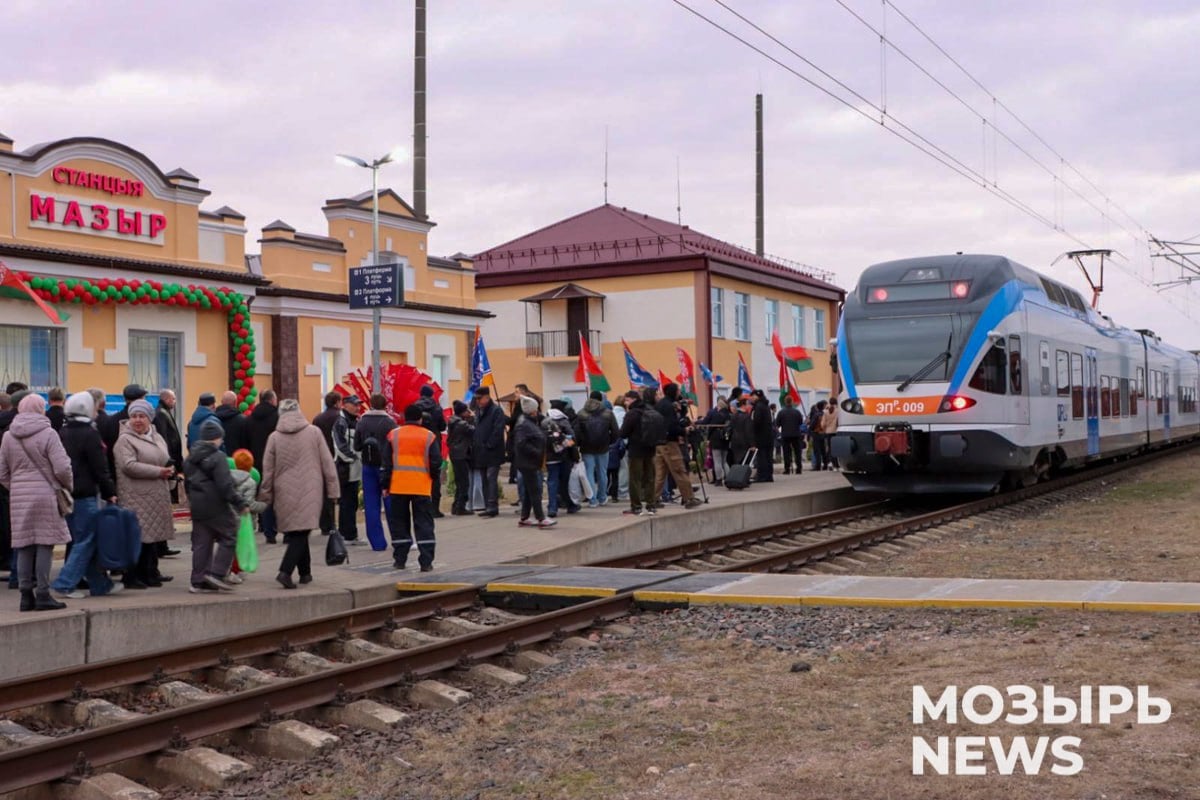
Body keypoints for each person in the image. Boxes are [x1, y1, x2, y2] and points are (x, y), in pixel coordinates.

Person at [0, 394, 73, 611]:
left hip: (19, 496)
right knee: (44, 544)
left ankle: (25, 596)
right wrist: (67, 485)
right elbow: (62, 467)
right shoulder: (48, 433)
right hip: (45, 494)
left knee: (23, 545)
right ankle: (42, 593)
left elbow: (2, 472)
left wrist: (16, 487)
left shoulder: (8, 436)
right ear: (41, 409)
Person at [260, 399, 339, 589]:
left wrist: (265, 494)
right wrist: (333, 490)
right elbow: (327, 463)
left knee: (298, 529)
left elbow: (268, 469)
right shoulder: (314, 433)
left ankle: (305, 573)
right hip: (310, 487)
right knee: (301, 531)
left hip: (283, 489)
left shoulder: (274, 438)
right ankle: (285, 571)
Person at [52, 391, 120, 599]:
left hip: (67, 494)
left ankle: (100, 585)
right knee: (87, 539)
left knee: (80, 538)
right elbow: (100, 468)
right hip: (86, 494)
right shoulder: (90, 433)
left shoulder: (62, 432)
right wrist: (110, 493)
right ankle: (65, 583)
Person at [113, 399, 176, 589]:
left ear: (149, 418)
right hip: (136, 495)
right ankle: (132, 576)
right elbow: (128, 465)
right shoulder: (125, 439)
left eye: (141, 416)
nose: (137, 420)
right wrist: (158, 472)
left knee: (152, 537)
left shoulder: (156, 436)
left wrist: (170, 470)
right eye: (134, 416)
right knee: (138, 537)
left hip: (155, 494)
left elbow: (164, 457)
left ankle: (150, 573)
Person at [184, 418, 247, 593]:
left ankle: (198, 581)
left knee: (202, 543)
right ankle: (217, 574)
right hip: (216, 505)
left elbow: (187, 484)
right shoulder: (218, 457)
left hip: (197, 505)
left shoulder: (190, 457)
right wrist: (240, 503)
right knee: (230, 535)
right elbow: (225, 485)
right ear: (216, 438)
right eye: (221, 438)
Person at [381, 404, 443, 570]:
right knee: (424, 525)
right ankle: (426, 562)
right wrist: (433, 479)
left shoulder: (393, 435)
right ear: (420, 418)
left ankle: (400, 560)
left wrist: (385, 485)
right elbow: (436, 462)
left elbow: (387, 464)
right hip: (421, 487)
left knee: (399, 524)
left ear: (403, 417)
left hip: (398, 487)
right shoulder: (428, 436)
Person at [354, 393, 398, 551]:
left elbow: (357, 446)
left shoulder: (362, 421)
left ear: (370, 404)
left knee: (371, 505)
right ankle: (398, 538)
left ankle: (377, 542)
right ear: (385, 405)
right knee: (391, 504)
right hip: (385, 467)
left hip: (367, 465)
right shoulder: (389, 422)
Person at [653, 383, 702, 509]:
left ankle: (653, 499)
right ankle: (689, 498)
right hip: (670, 442)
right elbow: (671, 426)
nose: (680, 393)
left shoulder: (659, 404)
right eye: (678, 391)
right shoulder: (669, 407)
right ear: (673, 392)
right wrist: (684, 430)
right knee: (679, 470)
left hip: (659, 443)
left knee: (660, 473)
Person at [511, 396, 552, 528]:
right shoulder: (524, 424)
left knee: (529, 492)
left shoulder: (530, 422)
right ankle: (541, 518)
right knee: (535, 491)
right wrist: (537, 452)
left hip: (531, 462)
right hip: (528, 462)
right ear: (532, 410)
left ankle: (524, 517)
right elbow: (521, 443)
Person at [574, 391, 618, 508]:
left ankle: (592, 499)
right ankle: (602, 497)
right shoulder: (608, 413)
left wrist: (578, 444)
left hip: (586, 448)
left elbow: (577, 432)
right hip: (603, 447)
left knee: (589, 473)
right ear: (601, 399)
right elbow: (615, 431)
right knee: (602, 473)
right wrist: (609, 442)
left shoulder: (581, 413)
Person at [246, 389, 279, 543]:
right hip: (275, 461)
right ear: (272, 400)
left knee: (263, 495)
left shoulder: (250, 419)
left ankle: (266, 529)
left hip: (256, 460)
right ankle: (279, 528)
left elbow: (246, 441)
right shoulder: (277, 417)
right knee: (279, 496)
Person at [618, 389, 657, 516]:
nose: (625, 403)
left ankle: (636, 506)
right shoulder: (649, 409)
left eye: (627, 400)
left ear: (633, 400)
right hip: (650, 449)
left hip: (636, 450)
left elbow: (623, 433)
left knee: (635, 479)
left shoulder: (632, 414)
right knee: (650, 478)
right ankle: (651, 505)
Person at [331, 395, 363, 544]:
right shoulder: (341, 422)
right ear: (345, 405)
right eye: (355, 405)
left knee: (352, 502)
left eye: (359, 405)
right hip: (345, 468)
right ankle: (347, 534)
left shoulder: (355, 421)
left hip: (354, 469)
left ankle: (350, 533)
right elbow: (340, 446)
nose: (358, 407)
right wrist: (355, 458)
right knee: (346, 503)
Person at [470, 387, 506, 518]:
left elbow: (498, 430)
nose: (478, 401)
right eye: (476, 399)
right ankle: (487, 505)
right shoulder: (479, 411)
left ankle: (492, 506)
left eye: (480, 398)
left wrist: (489, 444)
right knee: (484, 479)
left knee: (491, 478)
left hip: (492, 452)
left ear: (487, 397)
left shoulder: (496, 411)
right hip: (481, 452)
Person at [413, 385, 447, 518]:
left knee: (419, 475)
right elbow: (443, 426)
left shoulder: (415, 407)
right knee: (435, 476)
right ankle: (435, 509)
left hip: (417, 443)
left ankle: (420, 508)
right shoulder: (437, 408)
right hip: (433, 443)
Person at [312, 391, 342, 535]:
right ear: (337, 402)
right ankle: (336, 524)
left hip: (321, 457)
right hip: (337, 457)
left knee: (324, 492)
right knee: (338, 491)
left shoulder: (318, 419)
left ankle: (325, 524)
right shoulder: (340, 418)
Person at [102, 384, 148, 477]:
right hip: (143, 473)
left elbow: (108, 449)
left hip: (116, 472)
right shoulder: (147, 421)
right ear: (141, 400)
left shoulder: (112, 420)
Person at [543, 407, 579, 517]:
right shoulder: (565, 424)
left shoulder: (543, 424)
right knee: (564, 483)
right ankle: (569, 505)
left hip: (550, 460)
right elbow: (572, 441)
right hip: (564, 458)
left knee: (552, 483)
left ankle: (552, 507)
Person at [153, 389, 185, 501]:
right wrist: (170, 462)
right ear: (166, 399)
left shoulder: (164, 412)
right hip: (168, 462)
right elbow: (164, 439)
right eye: (173, 399)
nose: (175, 401)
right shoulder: (161, 413)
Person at [446, 401, 475, 515]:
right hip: (461, 454)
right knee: (464, 482)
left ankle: (456, 505)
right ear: (463, 412)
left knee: (459, 481)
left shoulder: (453, 421)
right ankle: (460, 507)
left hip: (455, 453)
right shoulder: (462, 424)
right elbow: (473, 430)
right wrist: (473, 418)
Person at [702, 397, 732, 484]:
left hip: (716, 439)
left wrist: (708, 437)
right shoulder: (729, 415)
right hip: (726, 439)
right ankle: (728, 478)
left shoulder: (717, 415)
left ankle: (719, 479)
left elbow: (711, 426)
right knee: (724, 461)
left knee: (717, 460)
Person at [776, 395, 805, 475]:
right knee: (797, 452)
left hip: (785, 435)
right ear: (792, 401)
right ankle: (799, 468)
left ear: (785, 402)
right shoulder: (797, 412)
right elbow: (800, 422)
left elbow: (777, 424)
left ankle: (787, 469)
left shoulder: (781, 412)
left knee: (786, 452)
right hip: (796, 434)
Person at [214, 391, 249, 455]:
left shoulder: (213, 419)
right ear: (236, 402)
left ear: (222, 402)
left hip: (218, 460)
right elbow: (246, 443)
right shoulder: (243, 420)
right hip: (237, 460)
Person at [751, 390, 775, 482]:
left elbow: (757, 421)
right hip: (768, 435)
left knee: (761, 457)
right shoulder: (766, 406)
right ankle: (769, 475)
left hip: (761, 435)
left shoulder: (758, 407)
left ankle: (762, 476)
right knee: (768, 456)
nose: (752, 398)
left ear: (757, 396)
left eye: (753, 396)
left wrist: (752, 428)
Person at [727, 397, 755, 470]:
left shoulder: (733, 416)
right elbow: (748, 431)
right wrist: (752, 444)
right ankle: (743, 477)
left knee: (736, 461)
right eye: (748, 404)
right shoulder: (747, 417)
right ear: (743, 405)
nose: (749, 406)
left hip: (734, 441)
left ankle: (736, 476)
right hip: (744, 442)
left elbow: (730, 428)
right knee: (745, 461)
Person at [809, 400, 828, 472]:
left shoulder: (816, 415)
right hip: (823, 433)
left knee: (817, 450)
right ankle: (825, 464)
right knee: (823, 450)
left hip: (816, 433)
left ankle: (818, 466)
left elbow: (812, 425)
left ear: (817, 407)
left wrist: (810, 428)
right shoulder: (824, 414)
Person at [823, 401, 840, 470]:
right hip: (835, 431)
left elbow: (823, 424)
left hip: (828, 432)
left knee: (830, 448)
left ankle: (830, 462)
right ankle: (836, 464)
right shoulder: (838, 411)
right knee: (836, 448)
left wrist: (825, 429)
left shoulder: (826, 412)